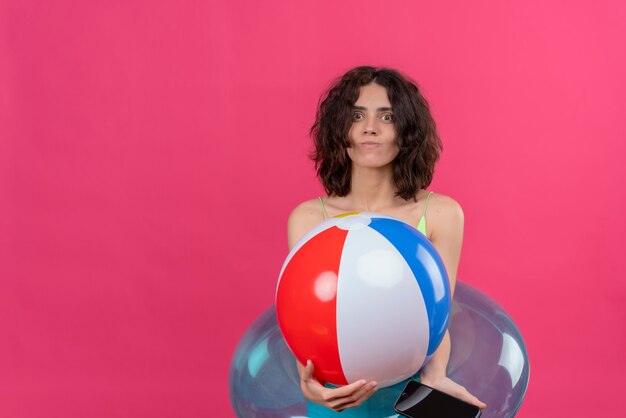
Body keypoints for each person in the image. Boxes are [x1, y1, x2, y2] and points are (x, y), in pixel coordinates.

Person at [286, 66, 487, 417]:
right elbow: (307, 323)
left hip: (410, 394)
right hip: (338, 399)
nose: (370, 128)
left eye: (387, 116)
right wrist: (311, 386)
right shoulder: (309, 218)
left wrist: (436, 378)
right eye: (357, 115)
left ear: (406, 130)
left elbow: (436, 314)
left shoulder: (440, 213)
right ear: (340, 129)